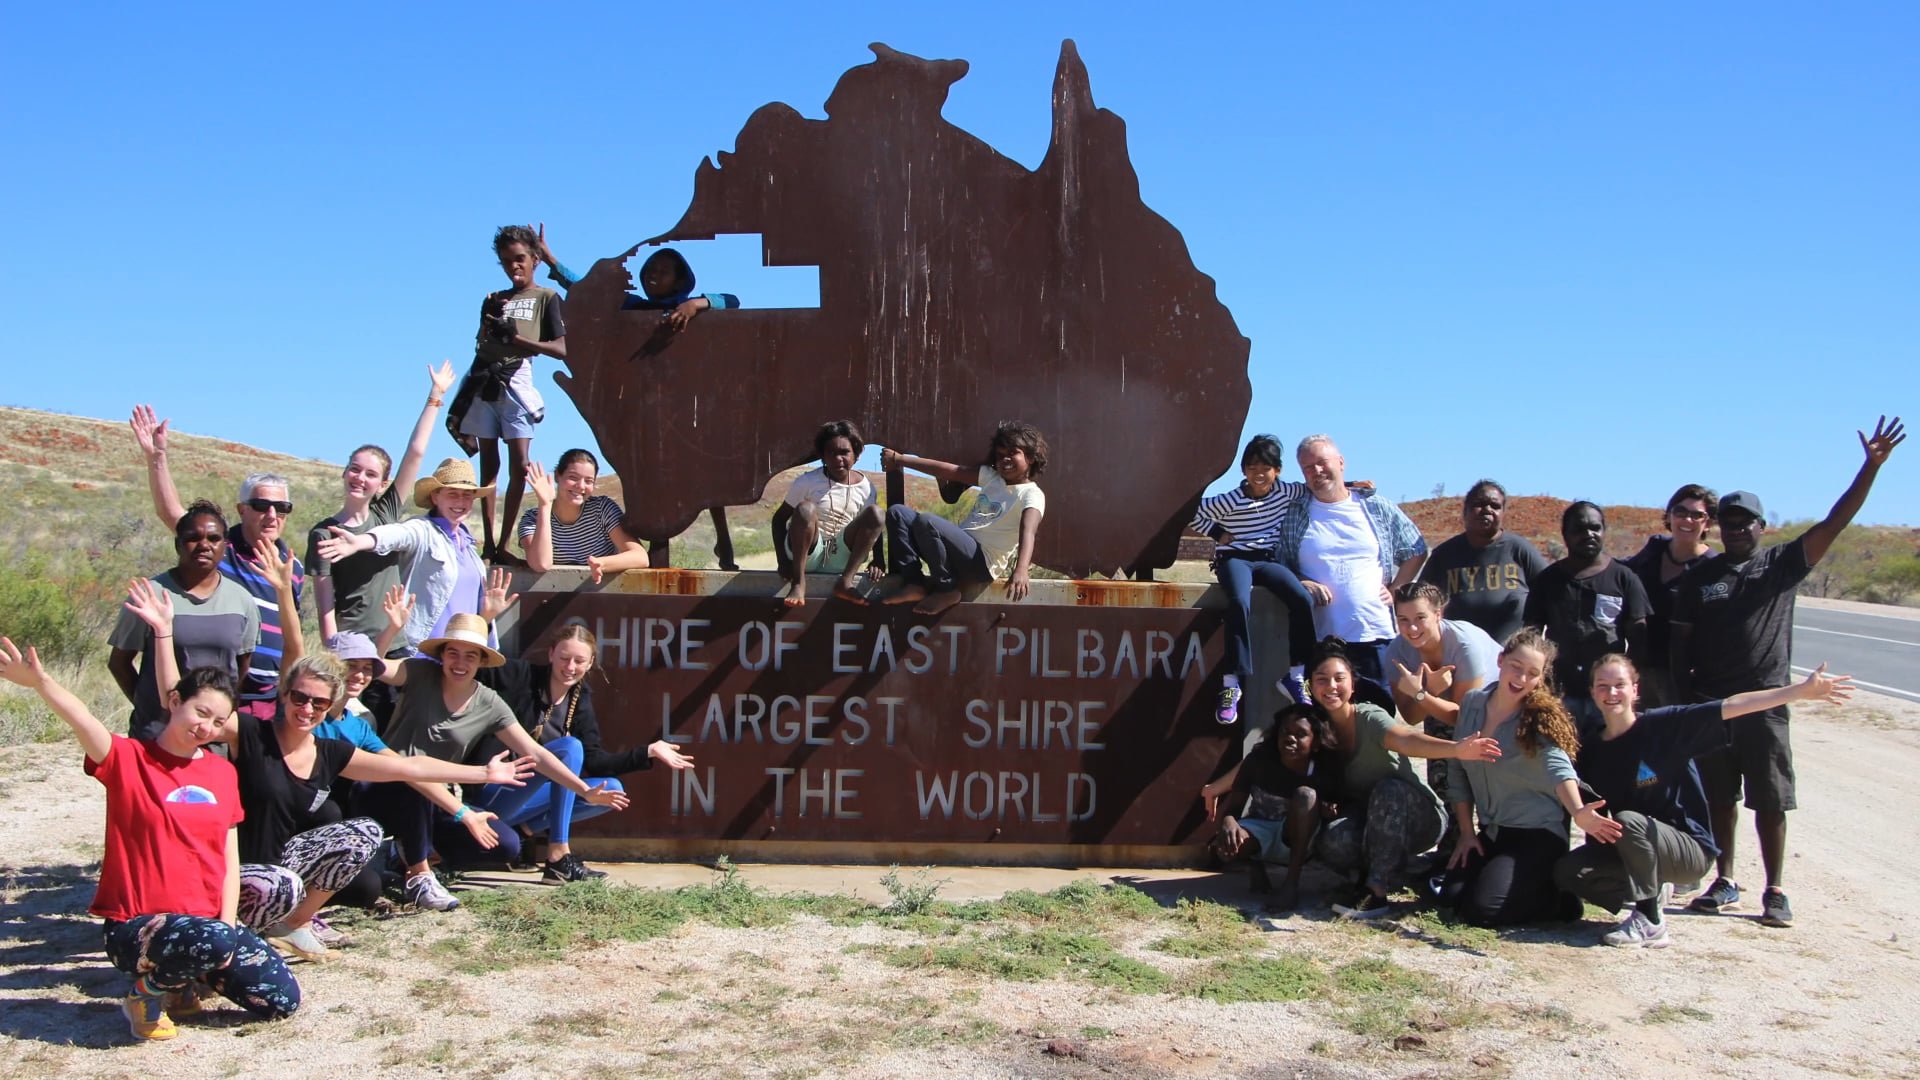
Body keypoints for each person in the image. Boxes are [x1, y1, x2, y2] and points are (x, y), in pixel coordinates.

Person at [125, 578, 535, 959]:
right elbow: (175, 702)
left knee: (364, 834)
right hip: (241, 867)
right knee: (281, 887)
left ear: (329, 707)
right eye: (300, 699)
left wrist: (483, 774)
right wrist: (163, 633)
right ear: (285, 696)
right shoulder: (249, 734)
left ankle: (293, 924)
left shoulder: (331, 751)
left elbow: (409, 767)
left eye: (319, 704)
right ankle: (242, 928)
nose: (307, 710)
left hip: (287, 867)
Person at [0, 631, 299, 1040]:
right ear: (175, 701)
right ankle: (146, 993)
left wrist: (227, 933)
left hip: (207, 927)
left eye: (218, 721)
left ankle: (186, 979)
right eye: (200, 712)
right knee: (210, 939)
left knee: (280, 1000)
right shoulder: (127, 758)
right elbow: (83, 718)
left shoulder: (221, 772)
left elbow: (229, 860)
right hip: (137, 928)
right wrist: (40, 683)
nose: (206, 727)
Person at [1674, 416, 1904, 927]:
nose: (1736, 530)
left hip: (1767, 704)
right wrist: (1690, 700)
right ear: (1718, 527)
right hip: (1715, 704)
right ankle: (1725, 879)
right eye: (1728, 523)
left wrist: (1870, 467)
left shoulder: (1781, 565)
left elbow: (1835, 522)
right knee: (1719, 797)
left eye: (1745, 523)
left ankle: (1775, 889)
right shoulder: (1700, 578)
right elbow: (1680, 644)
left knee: (1770, 799)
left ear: (1762, 527)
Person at [1556, 655, 1853, 948]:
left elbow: (1733, 705)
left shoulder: (1665, 726)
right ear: (1593, 692)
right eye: (1602, 686)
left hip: (1688, 849)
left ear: (1635, 689)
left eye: (1619, 684)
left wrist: (1798, 692)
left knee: (1629, 821)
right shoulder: (1593, 747)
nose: (1611, 693)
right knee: (1570, 871)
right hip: (1637, 845)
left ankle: (1650, 923)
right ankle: (1652, 890)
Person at [359, 603, 632, 911]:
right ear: (442, 654)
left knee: (507, 846)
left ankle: (412, 853)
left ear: (481, 661)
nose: (460, 663)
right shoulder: (420, 673)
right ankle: (417, 876)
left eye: (470, 655)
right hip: (390, 784)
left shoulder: (488, 702)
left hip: (441, 798)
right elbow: (373, 668)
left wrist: (584, 790)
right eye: (454, 653)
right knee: (417, 790)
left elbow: (536, 754)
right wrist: (392, 629)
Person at [1202, 641, 1500, 917]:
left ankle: (1376, 892)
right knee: (1332, 840)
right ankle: (1376, 874)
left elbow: (1408, 739)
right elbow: (1264, 753)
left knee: (1388, 790)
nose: (1331, 686)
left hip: (1416, 815)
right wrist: (1217, 787)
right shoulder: (1314, 725)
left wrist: (1457, 749)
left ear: (1352, 684)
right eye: (1321, 679)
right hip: (1370, 818)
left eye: (1338, 678)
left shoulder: (1369, 717)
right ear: (1311, 686)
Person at [531, 226, 743, 569]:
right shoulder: (633, 307)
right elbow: (588, 291)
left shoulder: (688, 306)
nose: (652, 275)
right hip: (646, 407)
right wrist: (552, 260)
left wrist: (697, 304)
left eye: (662, 270)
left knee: (705, 473)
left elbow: (732, 300)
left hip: (684, 404)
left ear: (680, 279)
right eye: (649, 271)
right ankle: (641, 542)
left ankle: (725, 543)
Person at [477, 625, 697, 881]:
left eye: (579, 661)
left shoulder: (578, 700)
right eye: (564, 658)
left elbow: (596, 762)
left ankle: (523, 831)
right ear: (550, 654)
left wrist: (648, 751)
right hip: (494, 792)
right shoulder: (521, 676)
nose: (570, 667)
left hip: (525, 800)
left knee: (611, 788)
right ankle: (558, 855)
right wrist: (488, 619)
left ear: (590, 662)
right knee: (569, 747)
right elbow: (470, 665)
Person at [129, 407, 305, 718]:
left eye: (281, 507)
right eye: (261, 505)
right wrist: (157, 459)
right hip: (221, 699)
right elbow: (174, 515)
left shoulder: (293, 567)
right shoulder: (222, 549)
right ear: (242, 509)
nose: (272, 514)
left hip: (273, 700)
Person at [1442, 628, 1597, 928]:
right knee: (1450, 898)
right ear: (1500, 660)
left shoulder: (1537, 718)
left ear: (1540, 678)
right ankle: (1525, 886)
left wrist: (1578, 811)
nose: (1522, 678)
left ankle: (1558, 900)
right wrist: (1466, 833)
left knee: (1481, 912)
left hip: (1535, 833)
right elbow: (1457, 769)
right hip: (1493, 830)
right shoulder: (1473, 703)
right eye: (1516, 667)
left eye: (1532, 673)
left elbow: (1560, 769)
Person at [305, 362, 454, 641]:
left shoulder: (385, 513)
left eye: (371, 474)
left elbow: (416, 452)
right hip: (353, 645)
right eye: (355, 469)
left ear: (382, 484)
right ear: (344, 471)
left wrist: (435, 396)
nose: (360, 478)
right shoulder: (323, 533)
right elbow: (325, 605)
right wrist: (333, 650)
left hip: (395, 641)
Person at [446, 225, 567, 562]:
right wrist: (491, 326)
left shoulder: (546, 298)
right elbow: (481, 342)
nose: (514, 267)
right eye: (506, 262)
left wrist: (517, 340)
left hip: (517, 378)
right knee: (489, 466)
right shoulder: (494, 298)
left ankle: (504, 544)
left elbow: (561, 348)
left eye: (520, 259)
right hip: (486, 378)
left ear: (534, 260)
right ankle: (488, 545)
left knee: (520, 466)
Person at [1274, 435, 1428, 688]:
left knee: (1380, 717)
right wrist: (1301, 581)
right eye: (1308, 467)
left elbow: (1416, 549)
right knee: (1327, 722)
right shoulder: (1295, 513)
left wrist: (1397, 588)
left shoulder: (1375, 506)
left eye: (1323, 462)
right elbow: (1279, 561)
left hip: (1376, 634)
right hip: (1322, 640)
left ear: (1341, 462)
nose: (1317, 471)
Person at [1187, 434, 1318, 723]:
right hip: (1233, 558)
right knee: (1238, 601)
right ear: (1244, 470)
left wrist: (1354, 487)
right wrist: (1217, 534)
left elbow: (1314, 488)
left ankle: (1296, 675)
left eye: (1266, 467)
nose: (1259, 474)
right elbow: (1192, 512)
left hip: (1266, 560)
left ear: (1277, 471)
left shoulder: (1285, 492)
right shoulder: (1229, 500)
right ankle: (1232, 683)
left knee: (1301, 598)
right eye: (1252, 467)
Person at [107, 500, 259, 740]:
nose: (204, 545)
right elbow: (119, 663)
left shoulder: (241, 600)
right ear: (178, 544)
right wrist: (152, 708)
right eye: (193, 537)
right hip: (157, 735)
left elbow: (241, 666)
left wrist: (219, 715)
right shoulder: (149, 595)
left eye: (213, 538)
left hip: (212, 738)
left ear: (225, 546)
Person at [314, 457, 488, 656]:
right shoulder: (422, 530)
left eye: (467, 495)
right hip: (421, 653)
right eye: (453, 494)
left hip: (461, 656)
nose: (460, 501)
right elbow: (395, 534)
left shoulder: (469, 547)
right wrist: (359, 542)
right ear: (435, 497)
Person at [877, 421, 1049, 616]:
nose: (1005, 460)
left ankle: (947, 589)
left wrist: (1022, 569)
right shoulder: (992, 478)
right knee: (898, 513)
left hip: (982, 563)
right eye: (1000, 456)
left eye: (1012, 453)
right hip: (959, 550)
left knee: (927, 522)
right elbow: (949, 471)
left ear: (1031, 457)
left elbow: (1028, 531)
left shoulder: (1031, 494)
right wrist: (901, 460)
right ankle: (914, 582)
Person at [1385, 581, 1501, 825]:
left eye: (1420, 617)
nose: (1412, 628)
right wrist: (1427, 692)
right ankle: (1452, 839)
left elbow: (1464, 718)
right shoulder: (1397, 652)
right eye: (1403, 619)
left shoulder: (1462, 645)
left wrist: (1423, 695)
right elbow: (1411, 716)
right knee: (1441, 759)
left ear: (1438, 614)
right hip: (1443, 709)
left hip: (1496, 708)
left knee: (1486, 775)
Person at [1204, 705, 1340, 908]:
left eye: (1300, 734)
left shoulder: (1325, 770)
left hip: (1297, 839)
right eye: (1285, 732)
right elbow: (1234, 809)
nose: (1290, 738)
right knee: (1226, 847)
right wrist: (1228, 822)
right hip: (1261, 830)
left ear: (1316, 742)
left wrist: (1327, 810)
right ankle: (1255, 865)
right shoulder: (1258, 762)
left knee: (1306, 795)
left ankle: (1290, 885)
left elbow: (1338, 806)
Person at [1521, 502, 1649, 701]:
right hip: (1559, 691)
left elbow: (1638, 637)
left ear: (1604, 531)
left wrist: (1624, 679)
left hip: (1608, 694)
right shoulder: (1548, 580)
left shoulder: (1624, 578)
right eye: (1579, 529)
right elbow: (1532, 633)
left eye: (1595, 528)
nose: (1589, 534)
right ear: (1565, 534)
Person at [771, 420, 885, 608]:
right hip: (807, 554)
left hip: (842, 556)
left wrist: (878, 560)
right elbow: (779, 520)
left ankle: (845, 583)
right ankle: (799, 583)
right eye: (831, 453)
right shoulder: (807, 482)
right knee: (805, 509)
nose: (838, 458)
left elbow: (874, 528)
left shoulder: (866, 487)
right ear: (823, 457)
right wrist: (783, 561)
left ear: (855, 454)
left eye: (844, 452)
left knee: (877, 513)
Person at [1418, 480, 1549, 642]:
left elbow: (1551, 593)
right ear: (1465, 511)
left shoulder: (1520, 550)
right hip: (1459, 657)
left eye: (1495, 506)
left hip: (1514, 659)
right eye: (1479, 504)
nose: (1487, 510)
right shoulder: (1443, 556)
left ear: (1503, 513)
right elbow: (1420, 603)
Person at [1622, 485, 1717, 709]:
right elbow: (1623, 575)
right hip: (1640, 668)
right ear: (1670, 515)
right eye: (1680, 512)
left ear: (1709, 523)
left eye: (1697, 515)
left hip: (1682, 679)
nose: (1687, 520)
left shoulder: (1713, 567)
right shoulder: (1653, 551)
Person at [519, 449, 652, 581]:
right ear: (557, 476)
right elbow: (541, 564)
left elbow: (640, 557)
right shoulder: (532, 519)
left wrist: (602, 564)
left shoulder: (602, 509)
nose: (581, 486)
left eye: (588, 481)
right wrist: (545, 505)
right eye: (573, 478)